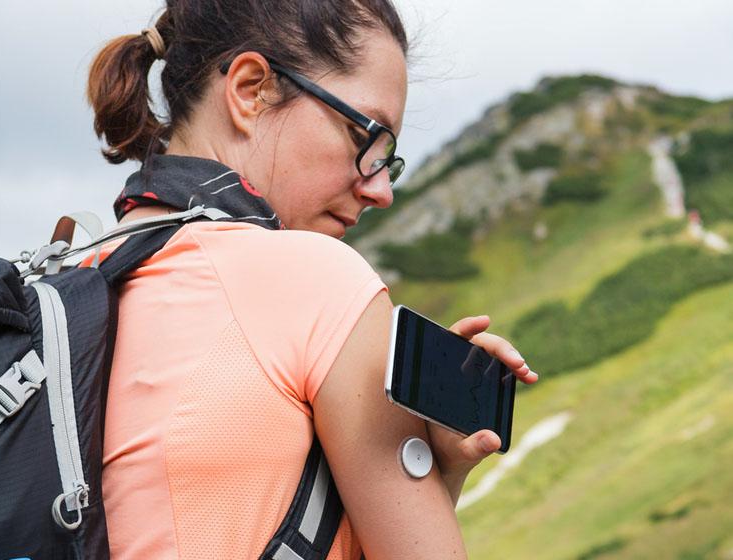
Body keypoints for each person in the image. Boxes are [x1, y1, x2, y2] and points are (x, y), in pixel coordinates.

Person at [85, 1, 539, 558]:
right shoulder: (314, 277)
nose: (381, 190)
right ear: (250, 90)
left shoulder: (81, 275)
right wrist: (429, 479)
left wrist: (435, 472)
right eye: (366, 139)